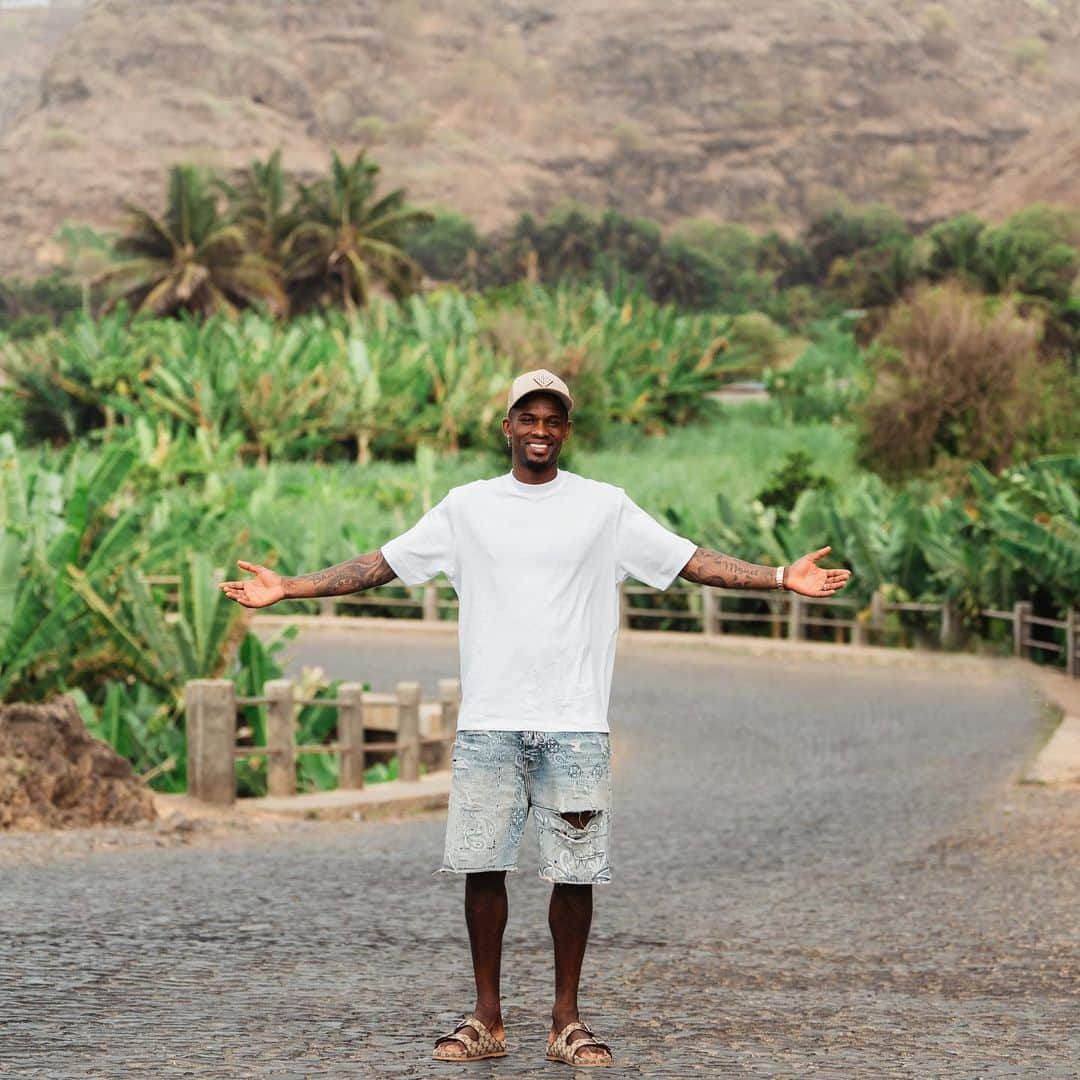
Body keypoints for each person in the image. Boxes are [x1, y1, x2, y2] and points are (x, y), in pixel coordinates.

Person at [219, 368, 852, 1067]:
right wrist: (291, 588)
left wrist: (777, 577)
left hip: (576, 721)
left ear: (567, 430)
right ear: (509, 426)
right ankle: (486, 1019)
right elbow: (384, 564)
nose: (541, 430)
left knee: (574, 875)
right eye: (529, 417)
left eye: (554, 419)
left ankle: (566, 1022)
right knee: (482, 868)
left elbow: (689, 561)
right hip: (490, 720)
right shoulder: (467, 508)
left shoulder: (605, 507)